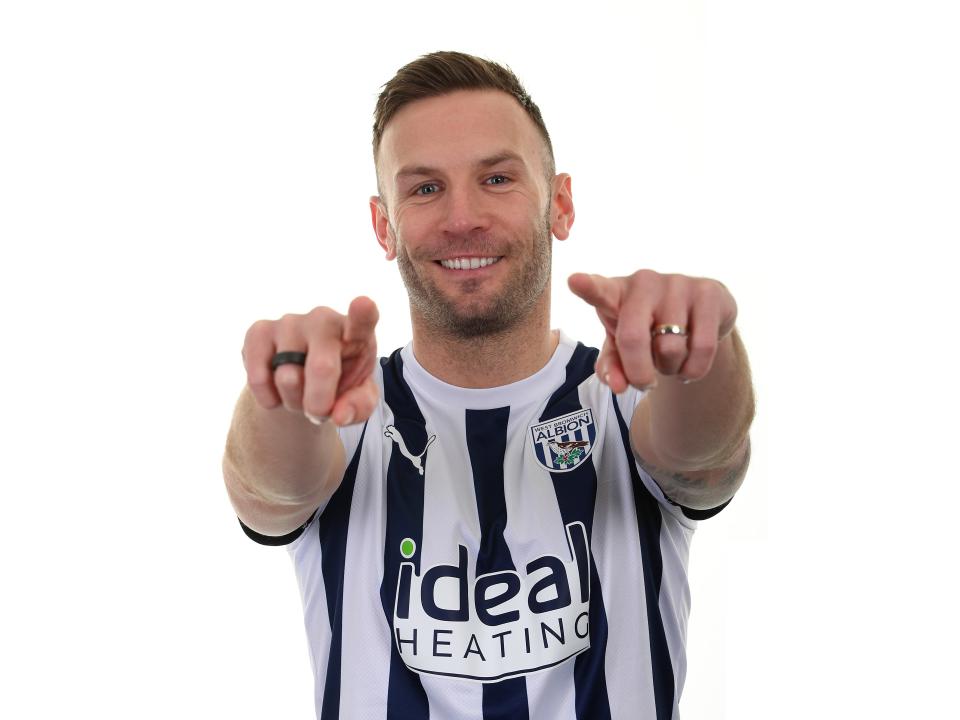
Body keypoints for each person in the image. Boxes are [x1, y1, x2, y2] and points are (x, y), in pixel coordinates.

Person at [223, 50, 755, 720]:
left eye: (497, 178)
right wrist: (281, 390)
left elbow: (707, 455)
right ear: (384, 226)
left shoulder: (626, 392)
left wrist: (703, 352)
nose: (461, 218)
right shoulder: (344, 414)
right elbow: (266, 492)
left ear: (559, 204)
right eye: (423, 188)